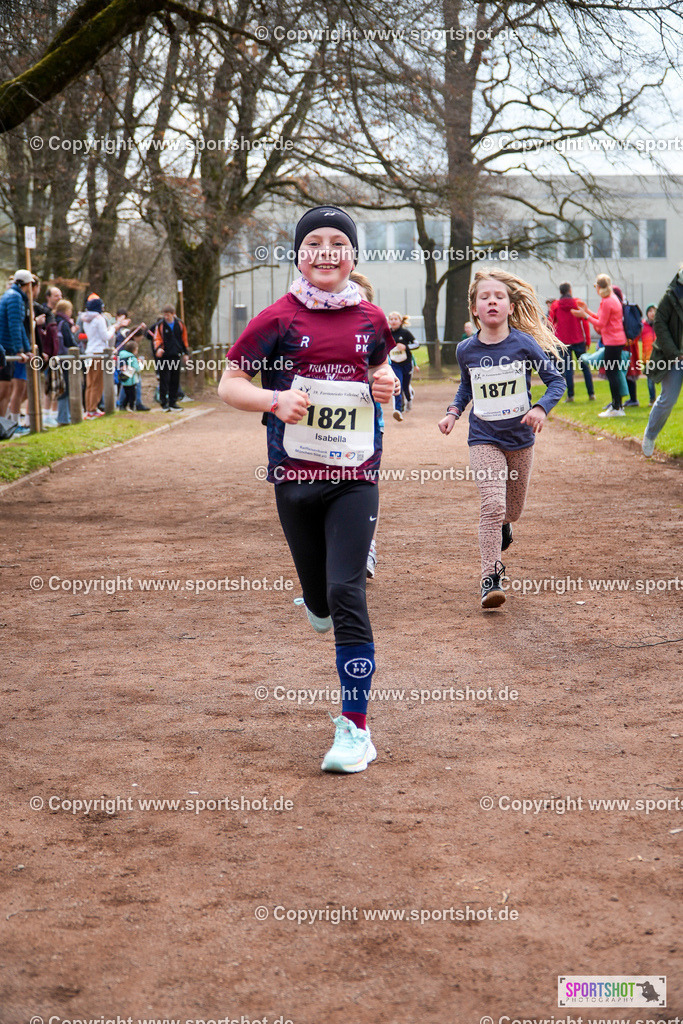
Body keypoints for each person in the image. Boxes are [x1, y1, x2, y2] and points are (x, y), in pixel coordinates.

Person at [218, 205, 395, 773]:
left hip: (355, 476)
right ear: (299, 255)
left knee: (347, 593)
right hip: (294, 478)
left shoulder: (372, 318)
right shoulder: (276, 318)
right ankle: (315, 604)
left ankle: (355, 730)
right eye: (313, 242)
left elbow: (384, 375)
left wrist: (387, 382)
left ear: (352, 256)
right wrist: (274, 401)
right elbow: (230, 384)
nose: (325, 251)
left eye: (336, 242)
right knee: (320, 600)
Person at [438, 268, 566, 609]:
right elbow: (466, 386)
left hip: (521, 440)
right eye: (484, 297)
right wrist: (453, 412)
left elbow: (557, 381)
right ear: (474, 309)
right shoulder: (466, 349)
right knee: (491, 505)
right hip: (483, 437)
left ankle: (506, 525)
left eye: (499, 297)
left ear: (510, 307)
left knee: (512, 509)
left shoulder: (523, 343)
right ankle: (490, 578)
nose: (492, 301)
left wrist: (540, 408)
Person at [350, 272, 401, 581]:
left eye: (358, 298)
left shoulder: (373, 330)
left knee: (363, 486)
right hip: (318, 429)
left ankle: (366, 546)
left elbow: (383, 369)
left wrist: (389, 381)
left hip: (367, 425)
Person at [642, 265, 683, 458]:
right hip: (673, 357)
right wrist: (674, 353)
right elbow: (659, 323)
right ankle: (650, 435)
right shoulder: (670, 296)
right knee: (668, 400)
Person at [572, 274, 627, 417]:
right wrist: (587, 311)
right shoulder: (612, 298)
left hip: (613, 341)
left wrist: (585, 316)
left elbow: (601, 324)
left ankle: (616, 407)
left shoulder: (607, 301)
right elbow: (602, 318)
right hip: (616, 340)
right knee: (613, 372)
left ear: (598, 287)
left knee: (612, 372)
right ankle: (617, 406)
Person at [82, 295, 126, 419]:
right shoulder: (99, 319)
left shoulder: (86, 319)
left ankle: (90, 408)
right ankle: (92, 410)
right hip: (98, 353)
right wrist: (113, 328)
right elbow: (106, 336)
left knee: (90, 383)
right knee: (97, 383)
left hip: (89, 352)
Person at [549, 282, 595, 402]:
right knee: (585, 367)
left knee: (568, 369)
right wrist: (588, 339)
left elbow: (551, 322)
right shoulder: (577, 303)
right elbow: (584, 322)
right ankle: (591, 394)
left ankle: (570, 395)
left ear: (560, 292)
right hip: (578, 339)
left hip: (563, 341)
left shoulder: (556, 305)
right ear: (570, 291)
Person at [0, 271, 32, 434]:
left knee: (6, 391)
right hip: (5, 348)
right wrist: (20, 350)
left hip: (10, 347)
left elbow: (20, 327)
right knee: (4, 390)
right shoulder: (14, 297)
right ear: (27, 285)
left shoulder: (15, 296)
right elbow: (14, 325)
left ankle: (4, 428)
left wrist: (27, 349)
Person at [153, 305, 189, 412]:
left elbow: (184, 339)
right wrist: (158, 349)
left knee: (175, 379)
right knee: (164, 379)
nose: (166, 317)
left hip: (176, 355)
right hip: (164, 356)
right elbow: (157, 338)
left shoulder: (180, 324)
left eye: (168, 314)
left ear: (173, 314)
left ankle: (173, 402)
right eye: (164, 314)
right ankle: (164, 403)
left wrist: (185, 353)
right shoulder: (160, 325)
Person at [388, 311, 418, 420]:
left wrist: (406, 347)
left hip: (406, 364)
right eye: (391, 319)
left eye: (395, 319)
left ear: (400, 321)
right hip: (395, 365)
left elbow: (417, 344)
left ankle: (409, 400)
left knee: (405, 387)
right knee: (397, 385)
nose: (393, 321)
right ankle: (398, 410)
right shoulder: (387, 333)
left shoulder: (405, 333)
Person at [118, 338, 143, 410]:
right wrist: (141, 364)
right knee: (132, 395)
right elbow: (137, 369)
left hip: (124, 379)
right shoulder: (132, 358)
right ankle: (132, 407)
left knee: (126, 394)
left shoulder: (122, 356)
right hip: (131, 380)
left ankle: (123, 406)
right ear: (134, 350)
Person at [640, 305, 658, 406]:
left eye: (654, 311)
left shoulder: (660, 325)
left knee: (665, 380)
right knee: (650, 380)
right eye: (650, 311)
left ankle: (664, 400)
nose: (652, 313)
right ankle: (652, 400)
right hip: (648, 358)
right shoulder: (643, 326)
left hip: (660, 357)